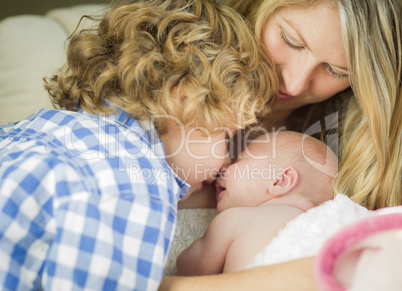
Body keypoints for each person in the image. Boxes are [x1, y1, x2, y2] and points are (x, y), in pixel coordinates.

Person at [0, 0, 277, 289]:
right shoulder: (135, 184)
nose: (226, 161)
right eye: (225, 135)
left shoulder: (50, 124)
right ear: (182, 102)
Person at [160, 0, 401, 289]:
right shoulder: (166, 95)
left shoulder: (360, 159)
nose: (296, 83)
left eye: (337, 71)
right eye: (291, 41)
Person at [175, 131, 337, 275]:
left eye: (240, 161)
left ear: (280, 181)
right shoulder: (328, 231)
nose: (224, 167)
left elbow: (189, 267)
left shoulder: (237, 219)